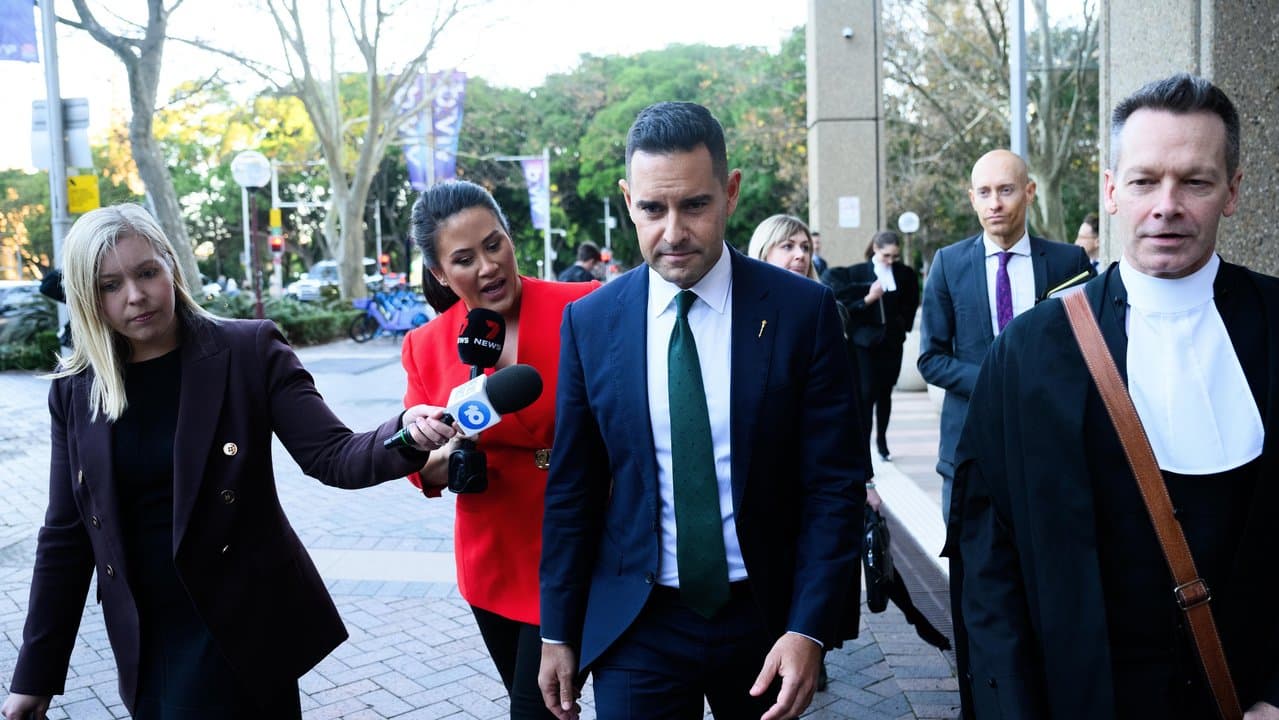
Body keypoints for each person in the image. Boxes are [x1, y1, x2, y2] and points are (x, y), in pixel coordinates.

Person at [0, 204, 455, 720]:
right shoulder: (76, 388)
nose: (136, 295)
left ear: (170, 265)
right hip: (146, 636)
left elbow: (332, 455)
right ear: (87, 296)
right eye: (110, 285)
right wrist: (35, 676)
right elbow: (67, 532)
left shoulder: (248, 349)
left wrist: (406, 433)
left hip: (240, 624)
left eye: (147, 272)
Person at [954, 74, 1279, 720]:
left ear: (1233, 192)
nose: (1166, 204)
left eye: (1195, 181)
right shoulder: (1028, 352)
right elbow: (989, 569)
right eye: (1143, 181)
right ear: (1110, 190)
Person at [538, 101, 864, 720]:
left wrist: (810, 628)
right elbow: (572, 487)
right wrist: (558, 629)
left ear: (730, 192)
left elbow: (834, 486)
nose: (673, 232)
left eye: (694, 205)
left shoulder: (803, 313)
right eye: (652, 209)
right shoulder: (591, 322)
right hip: (640, 622)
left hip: (766, 619)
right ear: (628, 199)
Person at [400, 180, 597, 719]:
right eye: (464, 259)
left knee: (538, 711)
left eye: (494, 244)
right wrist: (446, 442)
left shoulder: (583, 307)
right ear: (441, 274)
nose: (487, 267)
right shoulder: (425, 345)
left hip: (578, 544)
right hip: (493, 556)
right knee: (533, 703)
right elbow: (424, 473)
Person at [918, 149, 1091, 720]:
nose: (995, 203)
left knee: (1049, 583)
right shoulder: (947, 264)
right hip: (968, 458)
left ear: (1030, 192)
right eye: (984, 193)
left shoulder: (1067, 261)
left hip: (1050, 454)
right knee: (977, 589)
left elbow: (1085, 353)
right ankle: (981, 701)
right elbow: (932, 359)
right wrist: (998, 377)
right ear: (971, 198)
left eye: (1006, 191)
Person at [825, 230, 921, 462]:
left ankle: (882, 441)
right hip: (865, 343)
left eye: (895, 256)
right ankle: (864, 445)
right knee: (866, 394)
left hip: (891, 342)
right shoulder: (857, 272)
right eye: (887, 255)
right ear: (876, 250)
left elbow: (911, 301)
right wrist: (869, 299)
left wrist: (902, 326)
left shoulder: (904, 273)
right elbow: (845, 305)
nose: (891, 260)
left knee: (886, 393)